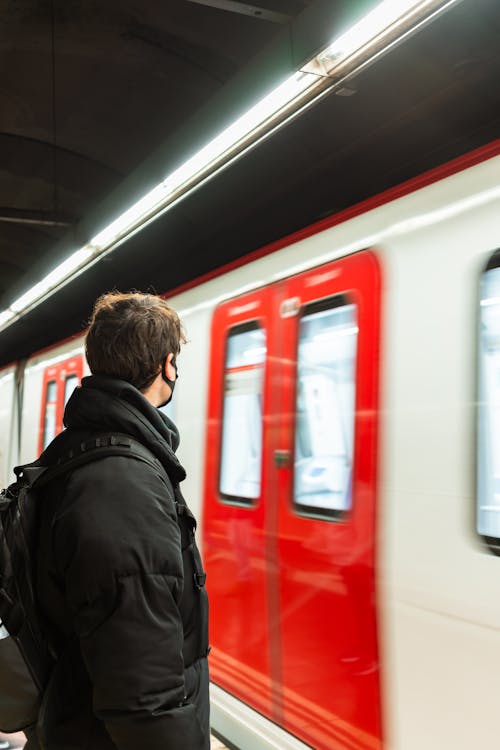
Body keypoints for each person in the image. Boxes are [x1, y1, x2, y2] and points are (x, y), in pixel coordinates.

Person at [26, 292, 210, 750]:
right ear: (168, 365)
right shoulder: (123, 486)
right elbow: (143, 692)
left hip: (73, 719)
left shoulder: (84, 449)